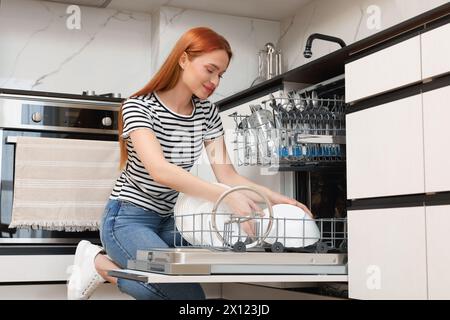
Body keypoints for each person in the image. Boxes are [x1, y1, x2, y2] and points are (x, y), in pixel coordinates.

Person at [67, 26, 313, 300]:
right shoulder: (138, 107)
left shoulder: (208, 113)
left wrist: (278, 200)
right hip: (128, 218)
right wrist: (226, 197)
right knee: (187, 296)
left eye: (220, 74)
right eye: (210, 69)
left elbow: (228, 174)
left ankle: (101, 263)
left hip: (175, 221)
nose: (215, 81)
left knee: (227, 248)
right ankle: (98, 264)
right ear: (183, 59)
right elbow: (159, 170)